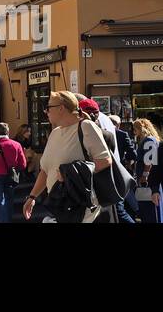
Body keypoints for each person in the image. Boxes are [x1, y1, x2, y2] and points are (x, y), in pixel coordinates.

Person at [24, 90, 112, 224]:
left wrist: (71, 174)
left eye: (48, 108)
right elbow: (46, 170)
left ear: (61, 108)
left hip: (80, 204)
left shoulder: (86, 126)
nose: (45, 112)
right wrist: (32, 197)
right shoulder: (55, 133)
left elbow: (105, 161)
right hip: (59, 202)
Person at [0, 122, 27, 224]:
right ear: (8, 132)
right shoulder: (16, 145)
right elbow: (23, 164)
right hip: (10, 175)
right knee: (9, 199)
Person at [131, 117, 163, 223]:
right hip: (150, 178)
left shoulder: (148, 141)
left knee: (148, 209)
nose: (134, 132)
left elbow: (150, 161)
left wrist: (145, 176)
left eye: (135, 129)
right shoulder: (152, 140)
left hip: (148, 180)